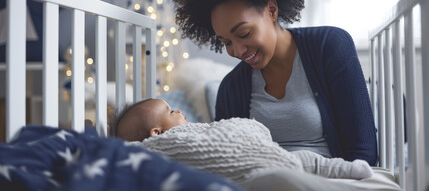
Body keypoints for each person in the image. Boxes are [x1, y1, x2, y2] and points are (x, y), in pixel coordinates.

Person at [169, 0, 377, 165]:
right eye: (227, 42)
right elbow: (228, 161)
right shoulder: (230, 89)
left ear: (271, 10)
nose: (238, 52)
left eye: (244, 34)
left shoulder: (330, 46)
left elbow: (363, 152)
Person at [115, 98, 373, 186]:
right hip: (249, 176)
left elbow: (228, 130)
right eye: (172, 112)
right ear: (156, 134)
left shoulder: (200, 130)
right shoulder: (152, 149)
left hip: (266, 155)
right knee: (278, 176)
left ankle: (346, 169)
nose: (180, 112)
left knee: (302, 158)